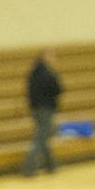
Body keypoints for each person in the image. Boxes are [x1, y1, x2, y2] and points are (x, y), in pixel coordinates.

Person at [22, 47, 62, 176]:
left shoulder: (34, 72)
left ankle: (50, 165)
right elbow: (58, 89)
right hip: (45, 109)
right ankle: (29, 167)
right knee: (41, 137)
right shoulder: (47, 74)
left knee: (43, 137)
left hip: (36, 109)